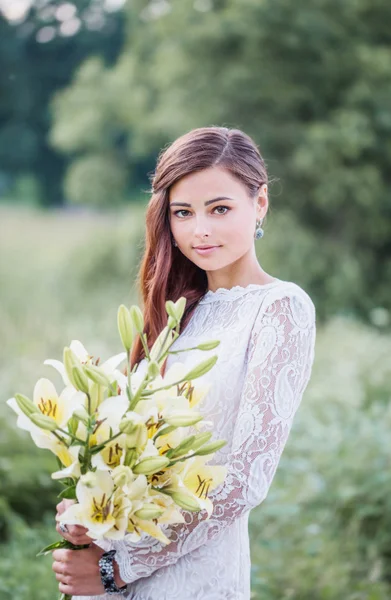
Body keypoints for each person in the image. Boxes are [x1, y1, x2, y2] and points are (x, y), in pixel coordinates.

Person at [52, 126, 316, 599]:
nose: (200, 230)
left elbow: (243, 482)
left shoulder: (279, 309)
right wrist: (91, 512)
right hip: (113, 570)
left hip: (193, 576)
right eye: (183, 213)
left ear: (260, 204)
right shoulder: (178, 311)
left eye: (219, 208)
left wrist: (120, 568)